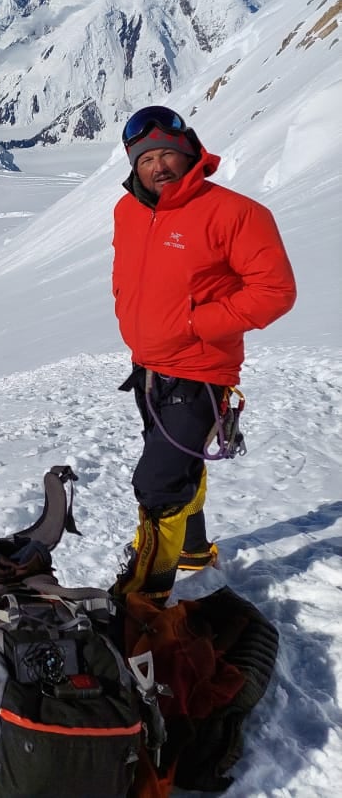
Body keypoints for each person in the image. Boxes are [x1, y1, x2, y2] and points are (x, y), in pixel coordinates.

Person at [110, 105, 296, 602]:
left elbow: (274, 291)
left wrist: (195, 323)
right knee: (179, 468)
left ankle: (147, 593)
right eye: (147, 158)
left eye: (169, 154)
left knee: (157, 483)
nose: (159, 166)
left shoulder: (237, 213)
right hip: (148, 369)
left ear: (191, 151)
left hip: (199, 371)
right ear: (134, 166)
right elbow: (130, 273)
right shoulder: (128, 210)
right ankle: (190, 550)